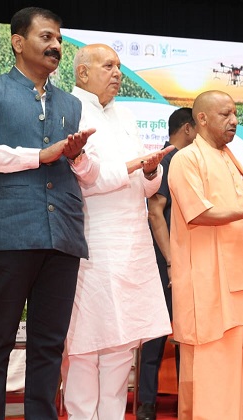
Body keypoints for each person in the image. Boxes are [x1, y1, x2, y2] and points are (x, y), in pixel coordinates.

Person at [0, 7, 96, 419]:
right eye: (46, 37)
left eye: (59, 40)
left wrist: (79, 158)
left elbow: (91, 172)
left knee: (49, 345)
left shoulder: (72, 103)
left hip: (63, 236)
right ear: (18, 42)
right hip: (8, 233)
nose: (56, 46)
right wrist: (37, 155)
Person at [61, 43, 173, 420]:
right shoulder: (68, 110)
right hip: (91, 240)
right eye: (108, 65)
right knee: (84, 345)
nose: (117, 73)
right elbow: (86, 179)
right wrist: (134, 165)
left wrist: (150, 170)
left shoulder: (124, 114)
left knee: (122, 344)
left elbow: (146, 188)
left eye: (119, 66)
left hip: (132, 244)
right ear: (82, 72)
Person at [168, 90, 243, 419]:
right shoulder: (186, 159)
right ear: (202, 119)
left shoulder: (232, 160)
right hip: (209, 287)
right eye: (226, 114)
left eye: (235, 113)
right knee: (214, 371)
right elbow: (199, 213)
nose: (235, 120)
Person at [136, 106, 196, 420]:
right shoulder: (166, 161)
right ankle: (146, 402)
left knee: (187, 335)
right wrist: (172, 261)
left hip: (186, 260)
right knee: (156, 334)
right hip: (164, 262)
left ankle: (187, 398)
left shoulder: (188, 160)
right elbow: (155, 212)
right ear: (188, 128)